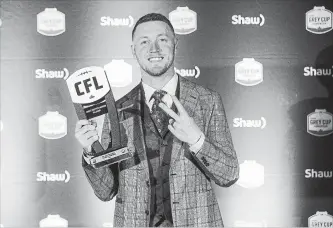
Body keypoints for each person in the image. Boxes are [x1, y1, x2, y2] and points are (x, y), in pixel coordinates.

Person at [75, 13, 239, 227]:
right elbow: (106, 191)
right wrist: (91, 153)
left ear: (175, 44)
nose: (154, 49)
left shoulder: (207, 100)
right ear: (133, 50)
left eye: (162, 39)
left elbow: (229, 175)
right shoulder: (117, 110)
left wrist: (197, 140)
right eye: (144, 42)